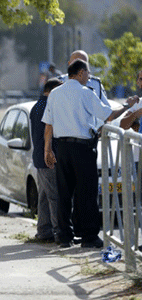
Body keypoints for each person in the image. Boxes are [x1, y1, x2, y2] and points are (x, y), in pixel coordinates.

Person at [42, 59, 139, 248]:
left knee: (64, 194)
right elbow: (108, 115)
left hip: (62, 148)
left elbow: (48, 125)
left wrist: (48, 149)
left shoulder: (54, 93)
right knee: (87, 193)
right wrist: (127, 106)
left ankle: (64, 237)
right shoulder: (85, 92)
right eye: (87, 73)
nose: (88, 77)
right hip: (82, 148)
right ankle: (88, 236)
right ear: (79, 73)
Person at [29, 78, 63, 243]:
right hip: (48, 158)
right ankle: (58, 232)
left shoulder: (37, 106)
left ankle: (44, 231)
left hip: (40, 158)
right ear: (52, 90)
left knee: (44, 195)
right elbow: (48, 133)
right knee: (54, 196)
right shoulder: (48, 107)